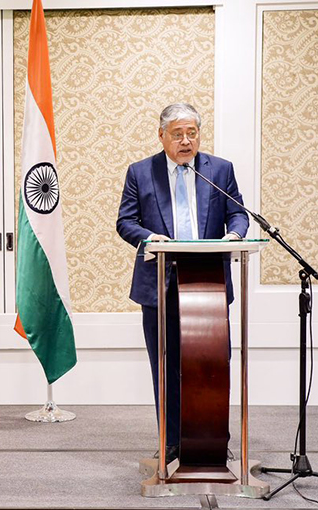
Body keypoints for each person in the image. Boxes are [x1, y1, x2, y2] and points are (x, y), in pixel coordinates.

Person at [116, 103, 249, 463]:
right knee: (165, 367)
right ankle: (172, 440)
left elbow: (237, 213)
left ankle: (211, 439)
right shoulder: (141, 172)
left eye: (192, 133)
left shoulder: (219, 170)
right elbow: (125, 221)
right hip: (159, 283)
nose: (186, 141)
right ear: (162, 136)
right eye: (178, 134)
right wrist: (149, 237)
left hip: (209, 285)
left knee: (211, 365)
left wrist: (234, 235)